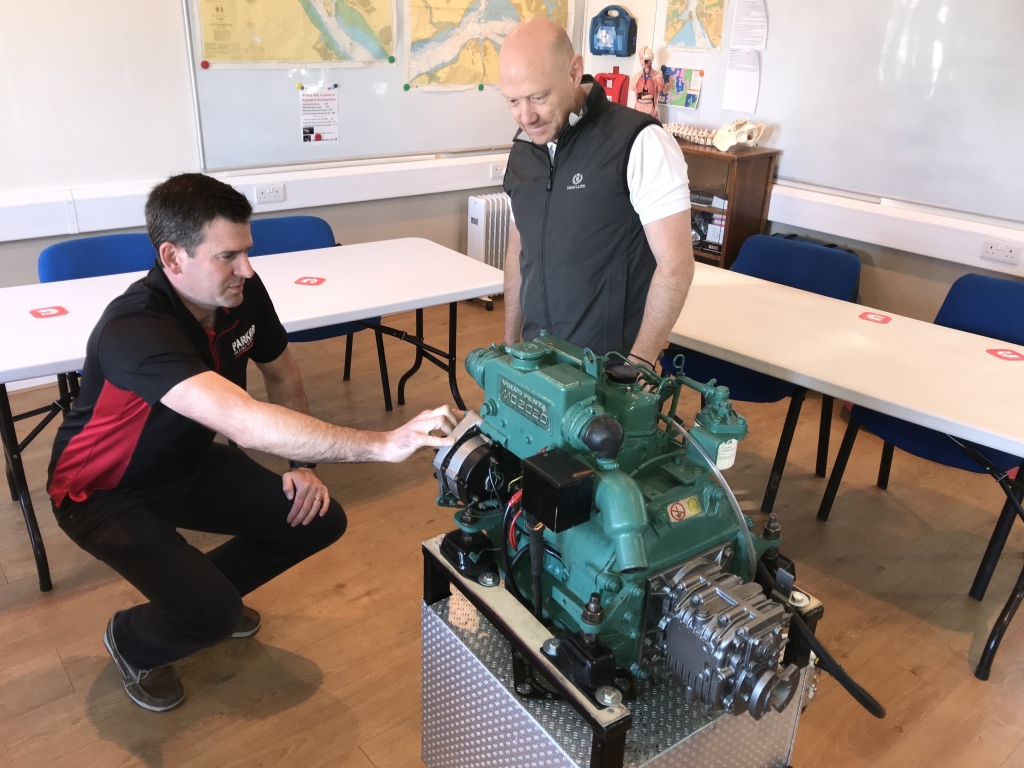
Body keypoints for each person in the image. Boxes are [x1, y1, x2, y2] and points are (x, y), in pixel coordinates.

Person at [46, 173, 457, 713]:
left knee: (317, 519)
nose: (247, 269)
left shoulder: (240, 293)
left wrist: (302, 464)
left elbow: (282, 374)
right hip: (101, 493)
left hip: (186, 463)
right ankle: (132, 640)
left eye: (247, 252)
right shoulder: (135, 329)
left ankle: (202, 598)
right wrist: (384, 443)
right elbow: (245, 423)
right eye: (227, 257)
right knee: (212, 617)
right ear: (172, 258)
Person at [499, 19, 695, 366]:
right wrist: (509, 344)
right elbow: (519, 252)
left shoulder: (639, 142)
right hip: (537, 362)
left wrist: (638, 366)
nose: (526, 116)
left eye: (538, 97)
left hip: (609, 372)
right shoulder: (524, 151)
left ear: (575, 72)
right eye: (513, 101)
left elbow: (676, 265)